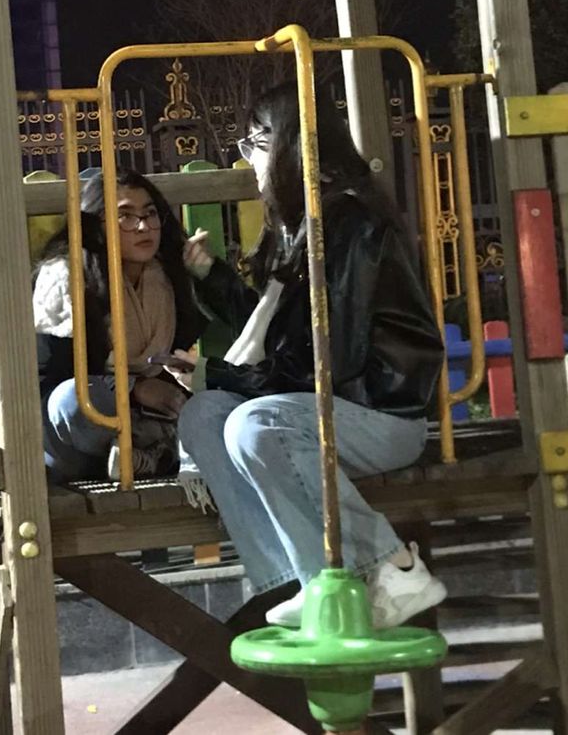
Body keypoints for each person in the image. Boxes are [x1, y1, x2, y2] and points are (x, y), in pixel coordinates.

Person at [174, 81, 447, 630]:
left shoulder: (346, 223)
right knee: (203, 417)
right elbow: (283, 327)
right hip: (327, 408)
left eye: (253, 142)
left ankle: (392, 563)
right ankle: (302, 578)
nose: (246, 159)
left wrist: (218, 372)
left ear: (285, 146)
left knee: (256, 426)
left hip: (379, 411)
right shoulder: (300, 225)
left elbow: (328, 359)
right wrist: (214, 279)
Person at [33, 169, 203, 483]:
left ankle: (146, 456)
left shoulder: (168, 278)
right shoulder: (64, 277)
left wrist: (208, 273)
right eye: (125, 216)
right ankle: (155, 453)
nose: (143, 226)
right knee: (73, 400)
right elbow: (46, 382)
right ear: (96, 226)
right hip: (75, 437)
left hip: (147, 420)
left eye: (150, 214)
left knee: (208, 405)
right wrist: (133, 390)